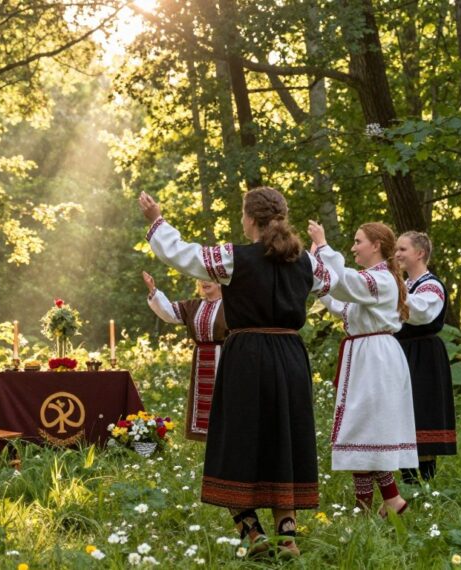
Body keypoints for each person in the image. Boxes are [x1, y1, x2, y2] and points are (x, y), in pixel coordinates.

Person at [139, 187, 335, 558]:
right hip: (291, 357)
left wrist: (156, 221)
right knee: (284, 439)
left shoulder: (235, 258)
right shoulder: (307, 262)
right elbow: (338, 284)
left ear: (250, 219)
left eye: (244, 215)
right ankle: (287, 537)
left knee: (236, 441)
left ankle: (253, 534)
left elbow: (184, 255)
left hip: (248, 357)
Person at [308, 221, 416, 516]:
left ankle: (368, 508)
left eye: (358, 242)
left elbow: (345, 282)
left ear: (376, 245)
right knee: (366, 432)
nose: (354, 247)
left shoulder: (380, 279)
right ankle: (389, 502)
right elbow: (341, 303)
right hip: (368, 355)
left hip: (375, 359)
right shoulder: (373, 281)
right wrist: (318, 268)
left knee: (363, 430)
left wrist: (325, 246)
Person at [393, 231, 456, 484]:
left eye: (403, 249)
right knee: (401, 414)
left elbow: (419, 313)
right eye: (396, 249)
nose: (397, 254)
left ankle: (427, 485)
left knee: (422, 414)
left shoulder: (431, 286)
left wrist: (390, 289)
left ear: (420, 253)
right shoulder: (404, 285)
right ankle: (409, 484)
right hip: (401, 352)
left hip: (424, 355)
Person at [143, 272, 225, 441]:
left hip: (225, 357)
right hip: (202, 358)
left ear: (220, 282)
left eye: (209, 278)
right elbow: (169, 313)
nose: (204, 281)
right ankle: (208, 441)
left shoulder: (231, 306)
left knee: (224, 401)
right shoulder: (193, 306)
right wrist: (153, 290)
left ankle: (226, 439)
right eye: (201, 277)